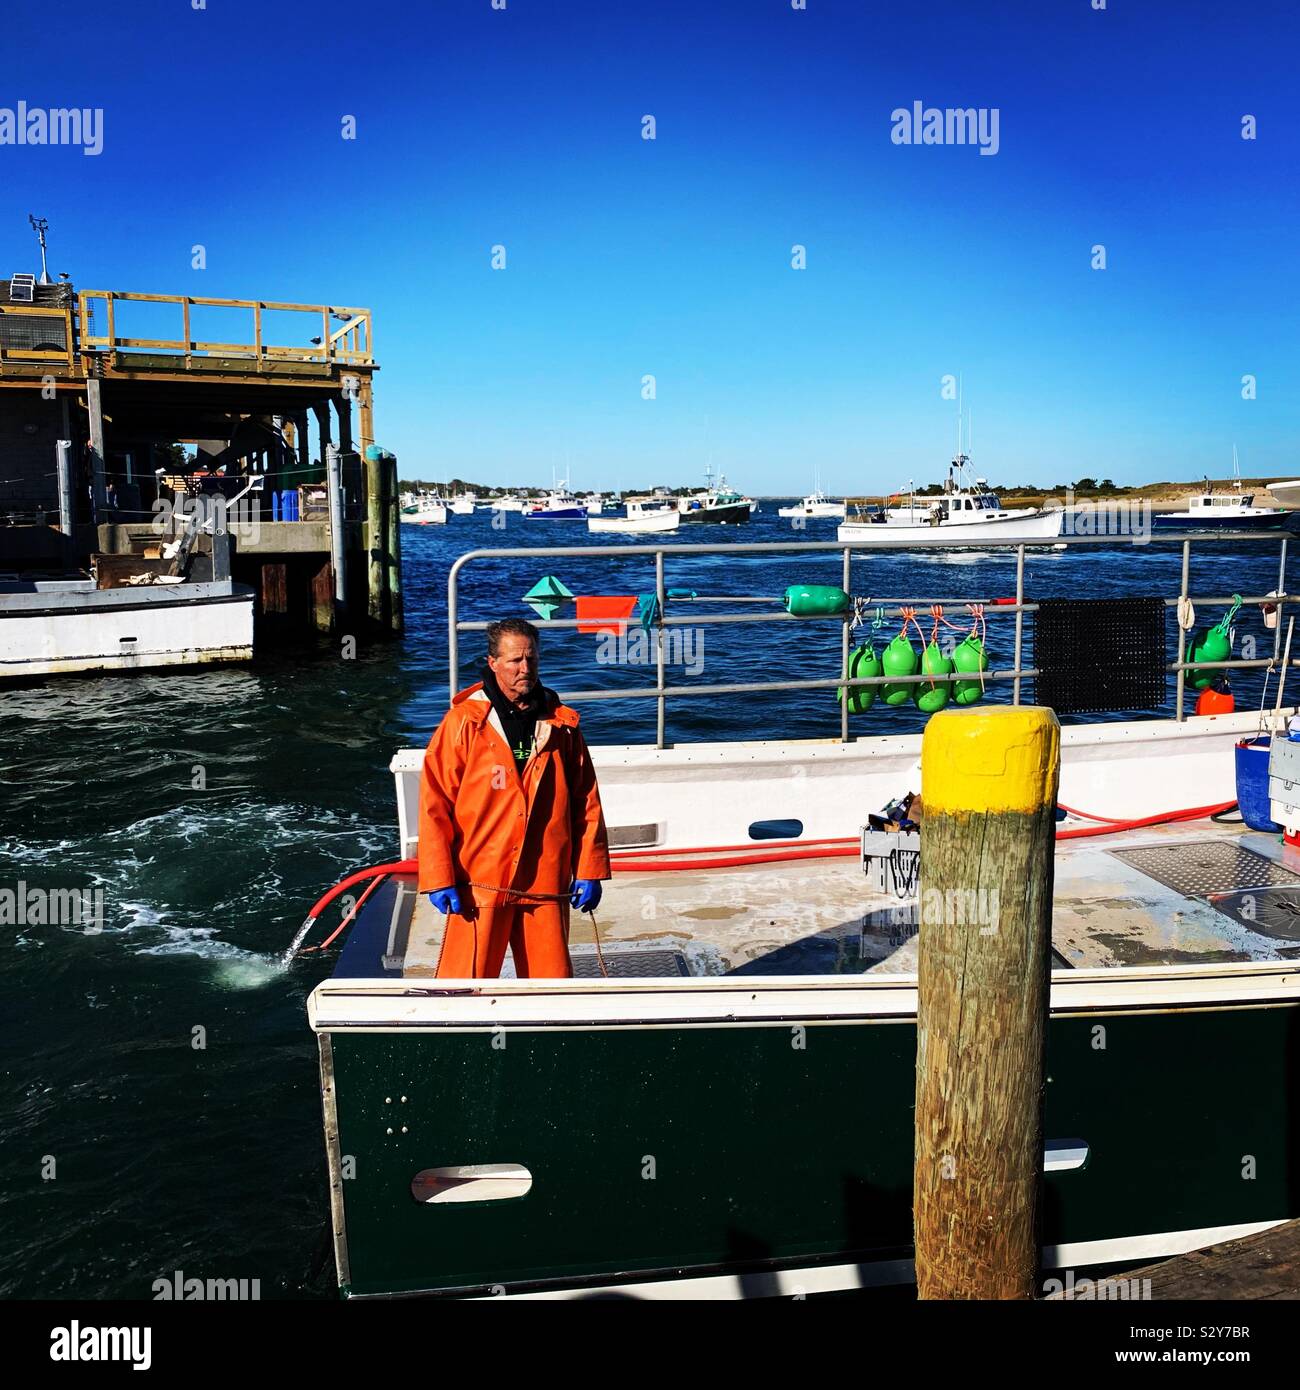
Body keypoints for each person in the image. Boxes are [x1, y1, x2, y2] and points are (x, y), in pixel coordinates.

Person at [417, 617, 610, 977]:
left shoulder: (561, 724)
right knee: (464, 985)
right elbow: (434, 805)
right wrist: (439, 876)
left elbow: (587, 800)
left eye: (532, 660)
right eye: (515, 661)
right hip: (480, 877)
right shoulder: (462, 723)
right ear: (493, 663)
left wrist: (589, 869)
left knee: (551, 988)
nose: (525, 669)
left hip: (545, 876)